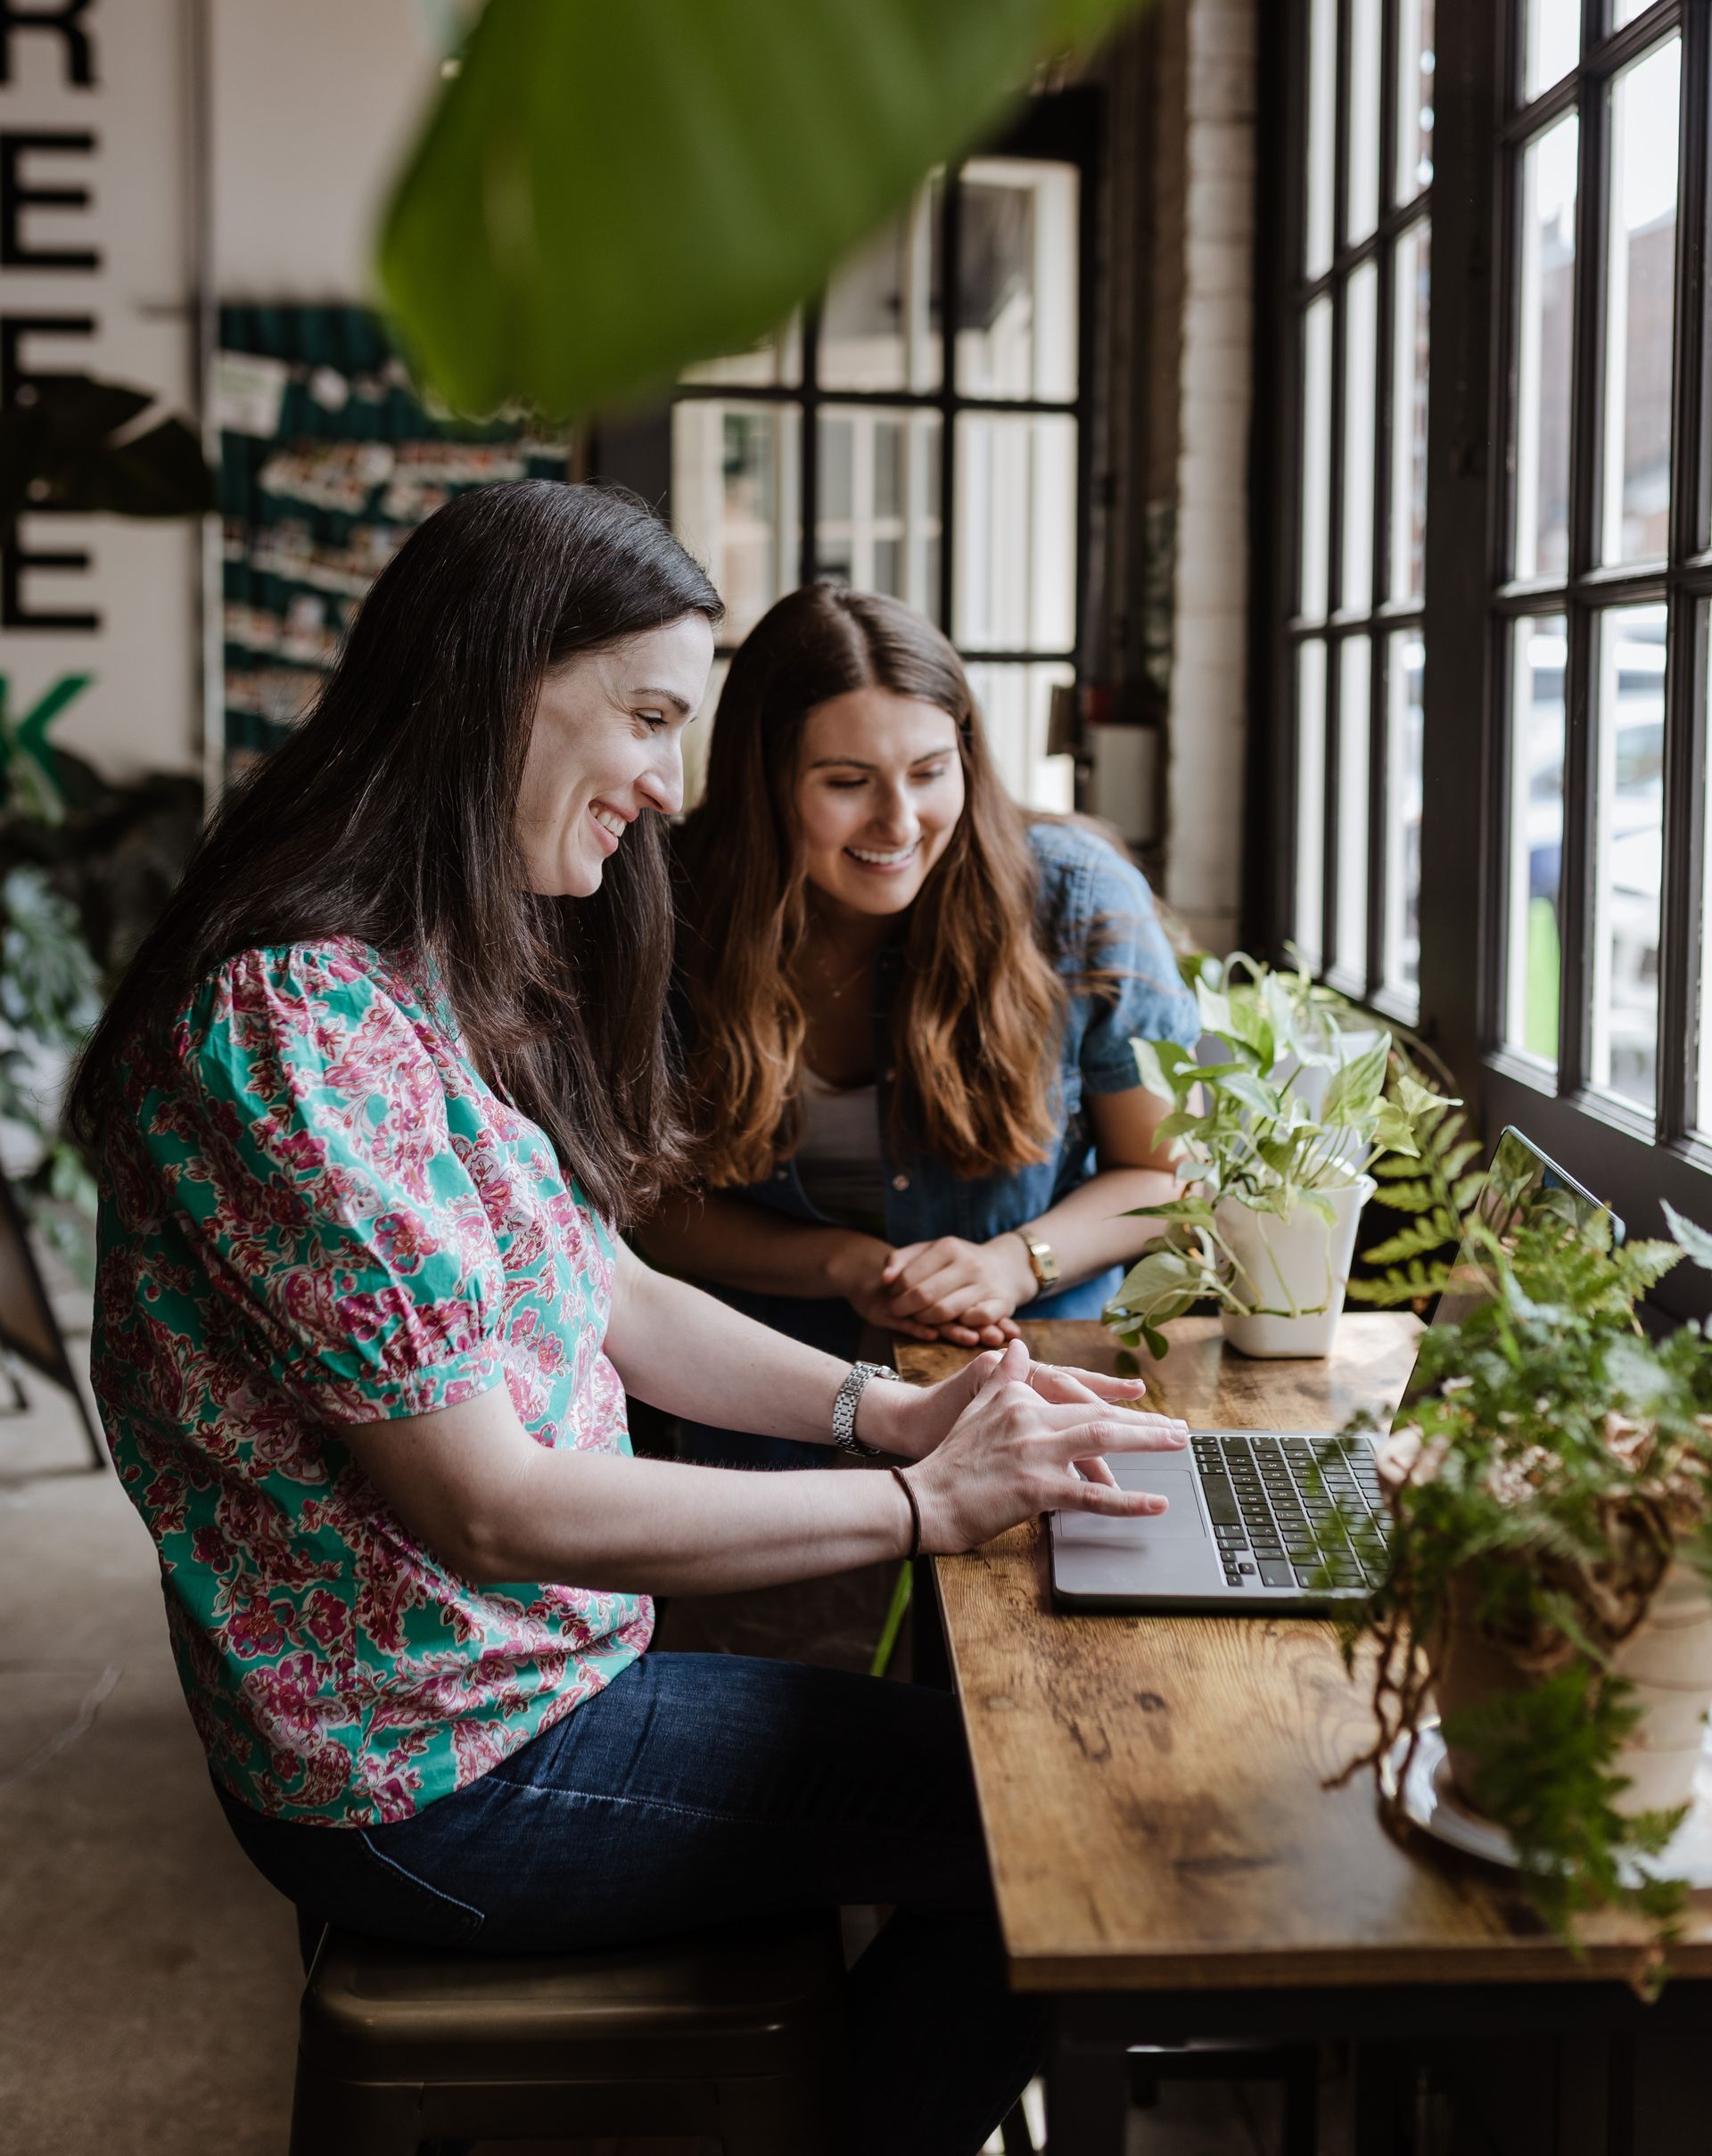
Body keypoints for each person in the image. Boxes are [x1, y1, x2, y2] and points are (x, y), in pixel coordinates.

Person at [71, 481, 1191, 2156]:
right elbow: (493, 1502)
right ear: (500, 683)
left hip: (518, 1694)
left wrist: (884, 1417)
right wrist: (913, 1506)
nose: (670, 783)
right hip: (435, 1770)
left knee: (1017, 1794)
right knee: (1076, 1837)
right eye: (652, 718)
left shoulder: (407, 970)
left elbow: (617, 1290)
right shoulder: (290, 1027)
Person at [646, 583, 1200, 1467]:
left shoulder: (1075, 898)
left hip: (1034, 1391)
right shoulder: (669, 908)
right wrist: (842, 1264)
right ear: (764, 780)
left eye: (930, 772)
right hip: (767, 1414)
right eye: (847, 783)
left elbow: (1169, 1178)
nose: (899, 823)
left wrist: (1021, 1261)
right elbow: (641, 1206)